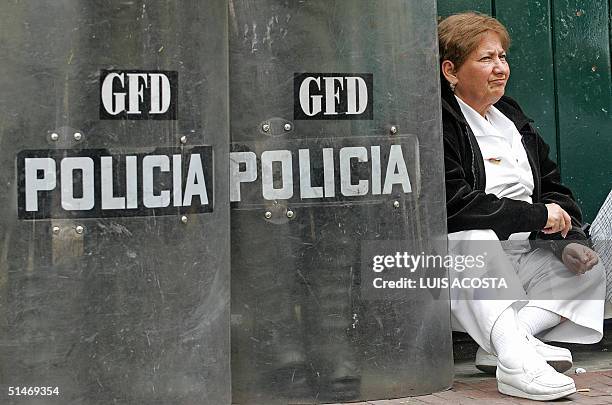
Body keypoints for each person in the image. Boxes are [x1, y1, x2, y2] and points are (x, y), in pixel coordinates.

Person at [438, 12, 605, 401]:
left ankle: (509, 339)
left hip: (523, 251)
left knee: (588, 273)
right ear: (451, 70)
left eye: (502, 57)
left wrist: (568, 241)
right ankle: (516, 364)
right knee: (472, 240)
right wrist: (536, 215)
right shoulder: (438, 121)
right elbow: (453, 205)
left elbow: (553, 187)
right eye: (485, 59)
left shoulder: (511, 116)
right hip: (458, 266)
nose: (500, 69)